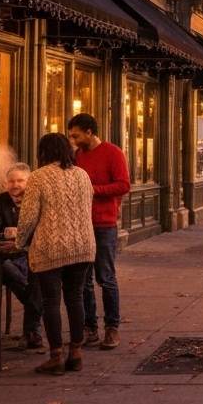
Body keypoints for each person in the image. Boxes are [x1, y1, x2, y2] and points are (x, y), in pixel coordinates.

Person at [17, 133, 96, 375]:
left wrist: (20, 242)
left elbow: (28, 216)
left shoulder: (38, 177)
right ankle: (76, 354)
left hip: (50, 246)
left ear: (43, 152)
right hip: (82, 245)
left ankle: (56, 357)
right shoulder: (82, 175)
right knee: (75, 298)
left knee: (51, 301)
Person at [66, 113, 127, 350]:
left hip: (104, 225)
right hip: (80, 225)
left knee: (106, 277)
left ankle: (112, 327)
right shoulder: (76, 156)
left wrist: (93, 190)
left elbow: (124, 184)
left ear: (89, 132)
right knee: (83, 280)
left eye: (76, 136)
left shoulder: (113, 153)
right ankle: (89, 327)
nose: (73, 140)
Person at [0, 162, 44, 351]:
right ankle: (34, 327)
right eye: (11, 181)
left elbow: (46, 233)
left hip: (32, 258)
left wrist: (24, 234)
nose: (15, 185)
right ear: (5, 184)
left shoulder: (37, 202)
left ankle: (31, 330)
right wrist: (3, 234)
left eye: (20, 181)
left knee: (37, 273)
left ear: (29, 182)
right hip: (0, 260)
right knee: (12, 272)